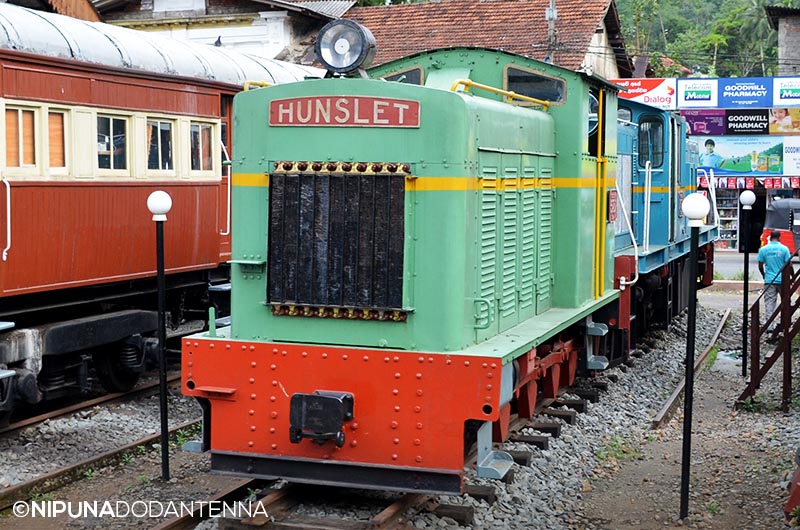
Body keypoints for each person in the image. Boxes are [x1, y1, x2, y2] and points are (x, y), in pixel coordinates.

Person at [757, 230, 792, 331]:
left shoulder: (763, 249)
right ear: (779, 237)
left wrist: (764, 275)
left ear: (770, 237)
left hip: (769, 280)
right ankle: (785, 324)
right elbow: (789, 265)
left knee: (770, 303)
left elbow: (760, 265)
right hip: (783, 281)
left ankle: (769, 326)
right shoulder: (784, 249)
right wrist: (792, 276)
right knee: (785, 302)